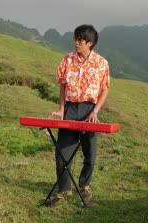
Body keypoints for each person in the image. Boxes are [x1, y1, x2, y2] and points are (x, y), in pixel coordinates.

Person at [48, 24, 110, 203]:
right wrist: (61, 109)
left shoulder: (101, 63)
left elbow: (104, 90)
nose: (76, 43)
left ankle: (85, 185)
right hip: (70, 108)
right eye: (75, 39)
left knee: (89, 150)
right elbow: (63, 86)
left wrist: (95, 111)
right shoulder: (67, 60)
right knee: (62, 152)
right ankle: (65, 188)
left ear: (89, 43)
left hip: (89, 109)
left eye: (80, 40)